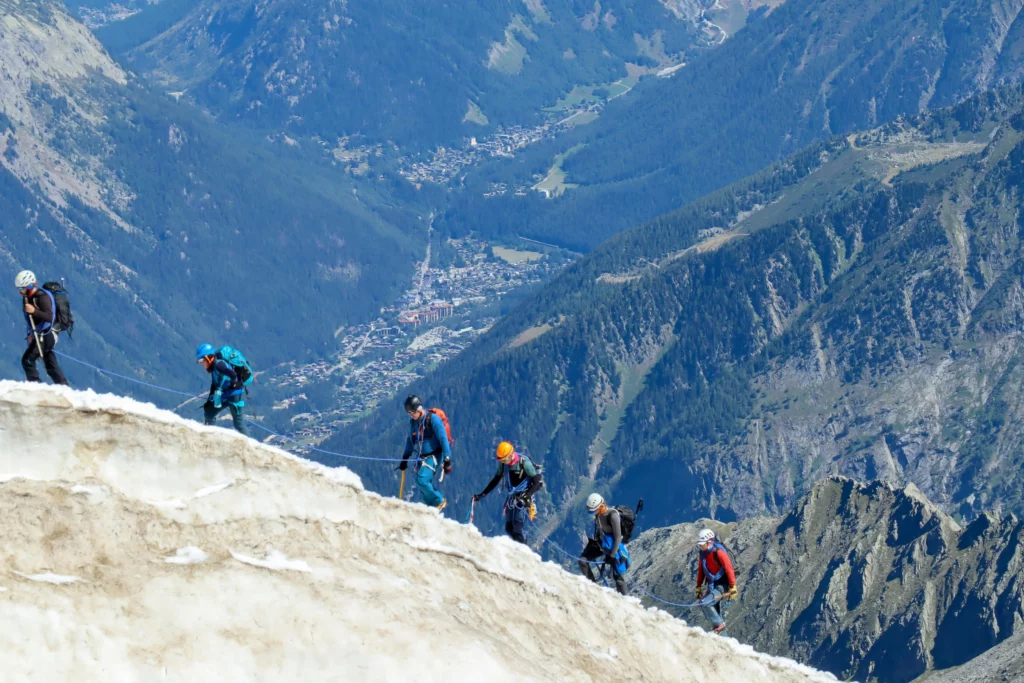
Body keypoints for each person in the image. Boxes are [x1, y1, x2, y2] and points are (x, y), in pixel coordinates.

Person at [473, 441, 544, 544]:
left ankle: (523, 549)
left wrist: (526, 497)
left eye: (504, 459)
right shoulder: (503, 465)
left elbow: (537, 482)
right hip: (514, 497)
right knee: (510, 528)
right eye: (501, 460)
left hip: (523, 496)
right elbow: (496, 480)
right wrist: (482, 494)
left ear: (510, 455)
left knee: (516, 528)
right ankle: (520, 547)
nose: (503, 462)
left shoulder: (524, 463)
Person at [399, 395, 451, 511]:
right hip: (423, 457)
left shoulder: (433, 420)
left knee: (422, 480)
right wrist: (405, 458)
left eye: (412, 412)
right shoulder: (414, 423)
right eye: (409, 413)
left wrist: (447, 458)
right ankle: (431, 507)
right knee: (421, 482)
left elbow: (443, 439)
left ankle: (439, 500)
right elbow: (410, 440)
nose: (411, 415)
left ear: (419, 408)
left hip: (435, 455)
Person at [16, 270, 68, 386]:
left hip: (46, 335)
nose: (19, 291)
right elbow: (32, 321)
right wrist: (30, 334)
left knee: (27, 360)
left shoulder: (42, 298)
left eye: (21, 288)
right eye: (18, 288)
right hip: (41, 335)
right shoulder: (28, 297)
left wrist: (34, 311)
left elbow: (49, 317)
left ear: (29, 286)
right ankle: (64, 387)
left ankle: (36, 386)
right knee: (50, 364)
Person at [578, 493, 630, 595]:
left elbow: (618, 537)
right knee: (582, 561)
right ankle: (593, 589)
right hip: (601, 544)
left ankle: (625, 600)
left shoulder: (613, 515)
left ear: (600, 506)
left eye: (594, 510)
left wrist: (612, 555)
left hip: (613, 547)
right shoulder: (598, 515)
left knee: (618, 577)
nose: (593, 512)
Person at [196, 343, 249, 436]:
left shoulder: (219, 365)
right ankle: (211, 435)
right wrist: (209, 401)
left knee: (238, 423)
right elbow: (214, 384)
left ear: (208, 358)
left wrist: (233, 384)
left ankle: (249, 443)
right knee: (209, 412)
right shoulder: (213, 367)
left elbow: (233, 374)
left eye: (201, 360)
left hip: (235, 395)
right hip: (227, 394)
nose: (201, 363)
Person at [695, 528, 738, 636]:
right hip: (713, 585)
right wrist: (698, 587)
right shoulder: (702, 554)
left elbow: (729, 569)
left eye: (702, 544)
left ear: (709, 542)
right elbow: (701, 570)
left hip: (723, 584)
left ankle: (719, 626)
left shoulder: (719, 553)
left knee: (706, 603)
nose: (700, 546)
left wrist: (732, 586)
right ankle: (724, 638)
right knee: (714, 610)